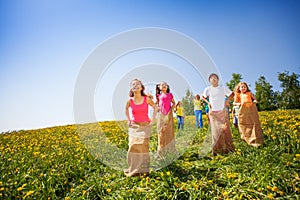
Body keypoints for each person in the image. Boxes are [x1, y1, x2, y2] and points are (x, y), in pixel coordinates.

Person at [124, 78, 158, 177]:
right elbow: (126, 109)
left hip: (145, 124)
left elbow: (155, 107)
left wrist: (152, 120)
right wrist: (128, 119)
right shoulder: (129, 101)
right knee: (132, 145)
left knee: (143, 145)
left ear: (141, 87)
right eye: (133, 84)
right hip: (134, 125)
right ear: (131, 89)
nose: (135, 85)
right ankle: (133, 169)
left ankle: (143, 170)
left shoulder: (146, 99)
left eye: (137, 84)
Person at [202, 73, 235, 155]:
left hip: (223, 111)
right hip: (213, 113)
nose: (213, 79)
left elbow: (232, 94)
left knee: (226, 130)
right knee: (216, 132)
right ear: (209, 81)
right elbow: (202, 97)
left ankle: (229, 149)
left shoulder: (222, 88)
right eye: (211, 78)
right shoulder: (208, 89)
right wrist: (208, 102)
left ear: (218, 80)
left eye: (215, 77)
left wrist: (227, 101)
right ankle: (217, 151)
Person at [233, 82, 264, 147]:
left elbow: (255, 99)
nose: (243, 88)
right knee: (244, 124)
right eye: (242, 87)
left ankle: (256, 139)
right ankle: (245, 139)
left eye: (245, 87)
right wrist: (238, 104)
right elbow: (234, 103)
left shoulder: (249, 93)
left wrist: (254, 101)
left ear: (247, 88)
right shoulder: (238, 95)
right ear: (239, 88)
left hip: (250, 110)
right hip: (243, 111)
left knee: (253, 123)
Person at [156, 81, 176, 158]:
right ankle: (161, 152)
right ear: (159, 87)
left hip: (169, 115)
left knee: (169, 131)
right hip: (161, 115)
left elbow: (173, 103)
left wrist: (173, 109)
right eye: (162, 85)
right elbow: (157, 104)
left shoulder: (170, 95)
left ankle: (171, 151)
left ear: (167, 87)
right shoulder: (158, 96)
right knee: (161, 132)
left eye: (165, 85)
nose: (164, 86)